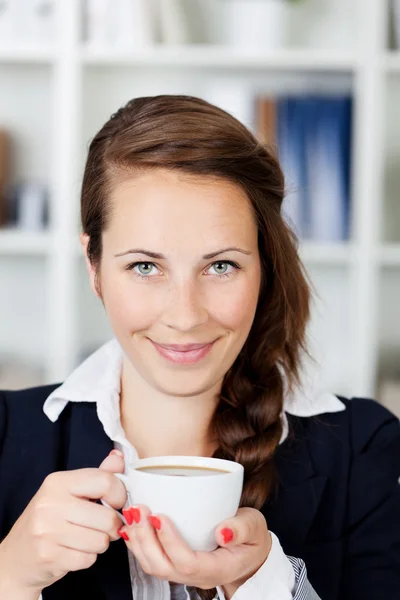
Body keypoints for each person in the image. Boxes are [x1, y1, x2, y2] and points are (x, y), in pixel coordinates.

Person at [0, 95, 399, 600]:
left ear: (265, 267)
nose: (186, 315)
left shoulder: (361, 448)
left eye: (221, 266)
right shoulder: (5, 436)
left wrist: (260, 585)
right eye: (145, 266)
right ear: (94, 266)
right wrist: (9, 578)